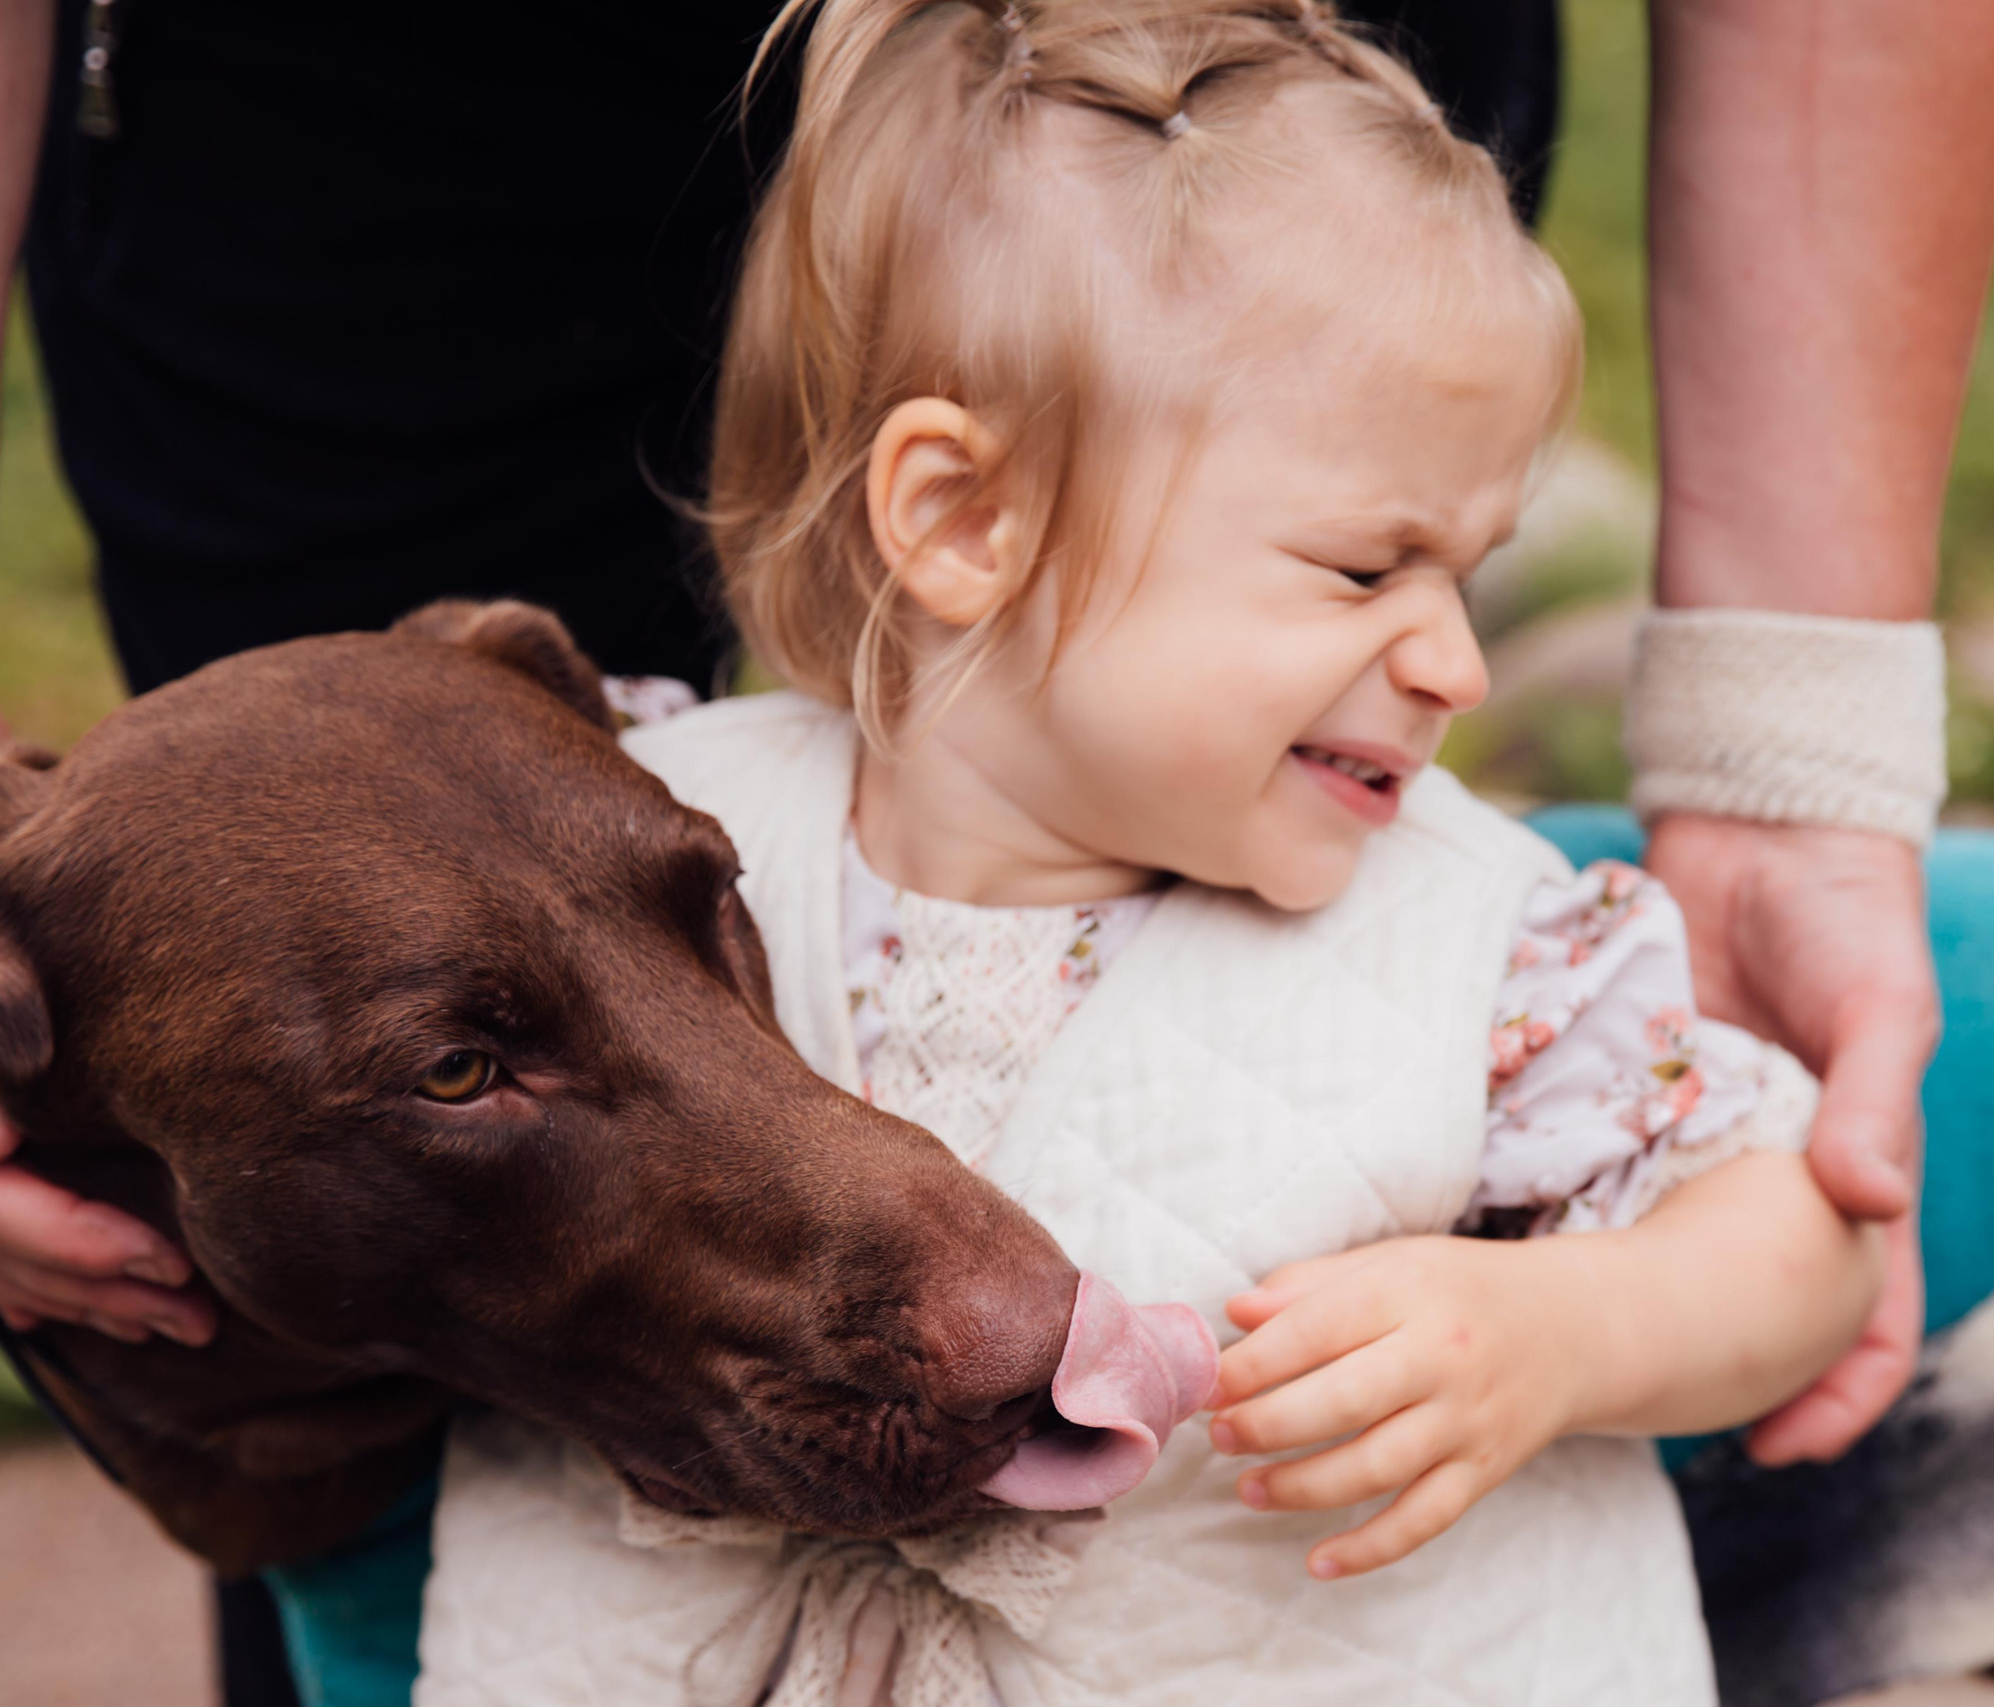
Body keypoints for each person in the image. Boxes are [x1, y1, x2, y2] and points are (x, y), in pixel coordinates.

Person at [410, 6, 1881, 1699]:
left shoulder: (1487, 954)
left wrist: (1558, 1335)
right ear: (966, 518)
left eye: (1469, 579)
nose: (1454, 666)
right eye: (1363, 572)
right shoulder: (628, 845)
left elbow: (1803, 1244)